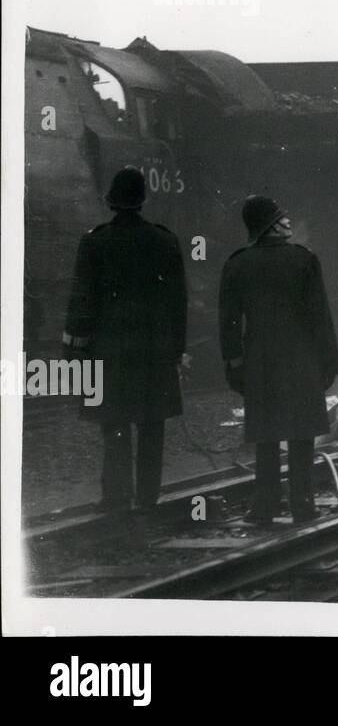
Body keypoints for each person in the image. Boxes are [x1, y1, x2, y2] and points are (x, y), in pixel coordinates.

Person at [63, 165, 188, 513]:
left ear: (112, 202)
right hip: (154, 349)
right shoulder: (165, 240)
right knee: (152, 425)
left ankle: (117, 497)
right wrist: (177, 349)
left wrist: (74, 350)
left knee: (114, 423)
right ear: (143, 201)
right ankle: (148, 497)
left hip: (110, 350)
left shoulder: (94, 241)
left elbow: (81, 300)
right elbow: (179, 301)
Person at [219, 196, 338, 524]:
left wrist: (233, 364)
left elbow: (229, 324)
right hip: (302, 359)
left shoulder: (237, 263)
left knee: (266, 436)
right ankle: (303, 503)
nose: (287, 223)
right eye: (281, 219)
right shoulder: (304, 260)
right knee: (301, 435)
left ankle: (265, 506)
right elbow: (321, 317)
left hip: (260, 360)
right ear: (268, 224)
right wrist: (330, 362)